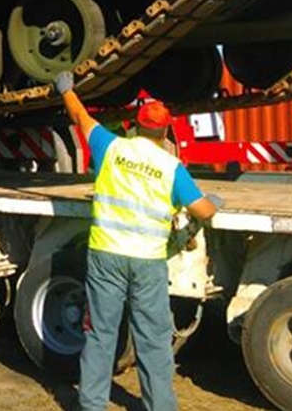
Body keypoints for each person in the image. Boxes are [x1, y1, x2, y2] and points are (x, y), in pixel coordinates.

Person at [55, 71, 219, 411]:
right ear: (165, 131)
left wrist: (66, 90)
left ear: (135, 126)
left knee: (100, 334)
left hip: (106, 256)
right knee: (152, 338)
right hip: (147, 262)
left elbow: (80, 117)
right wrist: (213, 202)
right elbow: (203, 211)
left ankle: (92, 405)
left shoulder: (112, 147)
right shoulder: (171, 167)